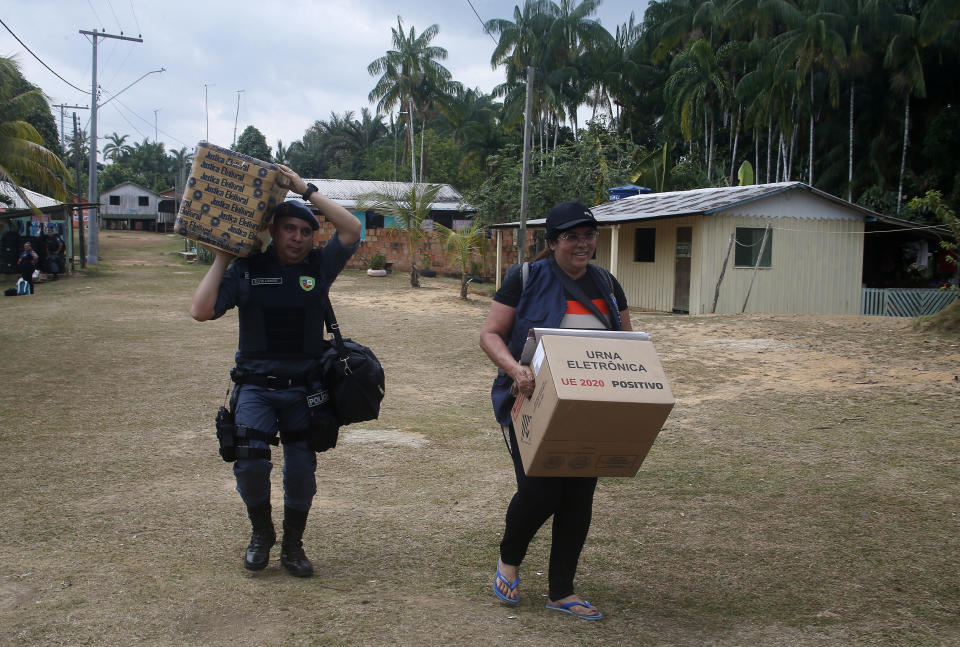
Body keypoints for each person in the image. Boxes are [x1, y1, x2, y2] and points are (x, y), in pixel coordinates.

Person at [190, 165, 362, 577]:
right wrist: (222, 258)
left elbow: (352, 229)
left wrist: (304, 190)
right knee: (250, 465)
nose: (298, 239)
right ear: (273, 229)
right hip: (255, 388)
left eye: (305, 232)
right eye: (289, 230)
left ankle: (293, 545)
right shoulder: (247, 269)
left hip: (306, 391)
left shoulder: (319, 268)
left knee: (301, 472)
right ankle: (261, 534)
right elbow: (200, 310)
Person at [479, 201, 632, 621]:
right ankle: (508, 563)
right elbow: (491, 334)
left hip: (588, 409)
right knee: (542, 490)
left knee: (579, 496)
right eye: (571, 237)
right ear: (553, 243)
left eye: (588, 235)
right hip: (530, 402)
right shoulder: (525, 277)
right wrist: (515, 368)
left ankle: (561, 591)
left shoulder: (607, 284)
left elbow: (627, 343)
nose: (582, 244)